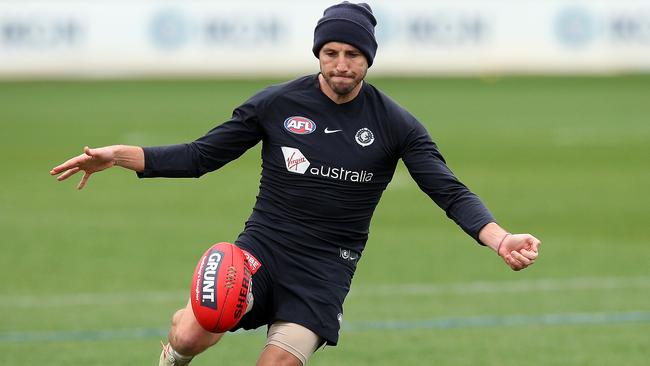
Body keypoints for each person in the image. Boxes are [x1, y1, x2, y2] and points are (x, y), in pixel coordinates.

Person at [50, 2, 541, 365]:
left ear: (369, 58)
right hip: (261, 249)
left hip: (325, 270)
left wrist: (500, 240)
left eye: (353, 54)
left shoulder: (397, 124)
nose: (341, 64)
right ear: (318, 54)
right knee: (192, 334)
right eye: (331, 52)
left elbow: (448, 191)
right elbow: (200, 156)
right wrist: (119, 158)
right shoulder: (275, 104)